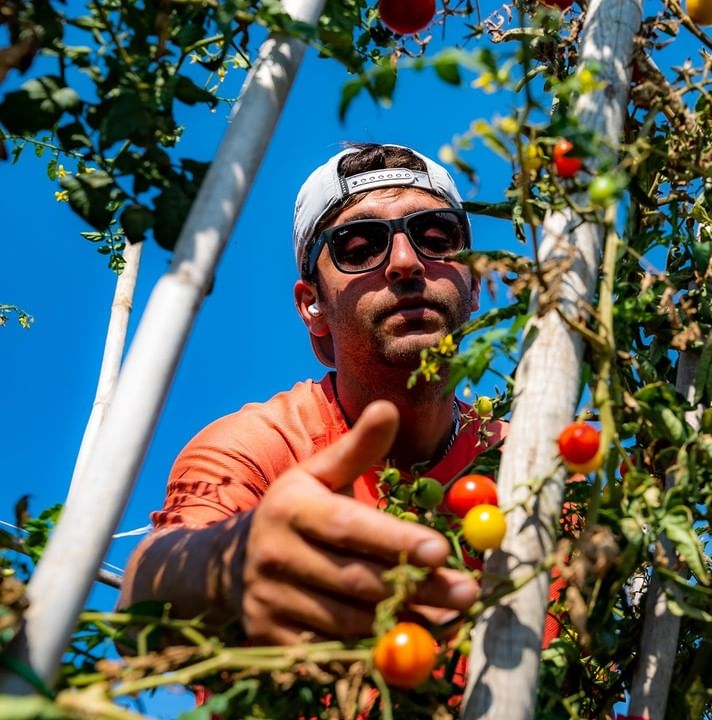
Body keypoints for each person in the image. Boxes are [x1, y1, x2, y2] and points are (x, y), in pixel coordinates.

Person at [119, 142, 503, 644]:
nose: (406, 262)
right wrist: (230, 565)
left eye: (435, 237)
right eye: (359, 248)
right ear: (312, 305)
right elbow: (149, 586)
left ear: (473, 284)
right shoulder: (261, 447)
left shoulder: (534, 462)